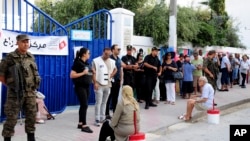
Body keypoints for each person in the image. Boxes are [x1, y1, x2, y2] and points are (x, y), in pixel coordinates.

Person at [0, 34, 41, 141]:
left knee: (31, 118)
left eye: (27, 42)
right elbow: (1, 74)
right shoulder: (10, 57)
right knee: (11, 119)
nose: (26, 44)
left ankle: (31, 138)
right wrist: (11, 86)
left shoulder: (31, 56)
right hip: (15, 94)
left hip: (30, 93)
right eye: (23, 42)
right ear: (17, 43)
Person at [70, 47, 93, 133]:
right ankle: (84, 125)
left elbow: (88, 73)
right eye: (88, 53)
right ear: (84, 54)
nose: (89, 54)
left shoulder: (86, 63)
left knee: (83, 105)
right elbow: (72, 75)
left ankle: (80, 123)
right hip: (80, 87)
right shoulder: (77, 63)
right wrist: (83, 73)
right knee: (84, 105)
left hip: (87, 86)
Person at [92, 48, 117, 126]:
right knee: (98, 102)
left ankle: (103, 117)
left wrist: (112, 75)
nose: (107, 56)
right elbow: (93, 72)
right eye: (106, 54)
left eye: (109, 54)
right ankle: (97, 119)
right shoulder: (96, 61)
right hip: (99, 84)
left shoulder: (112, 61)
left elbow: (116, 69)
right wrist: (95, 83)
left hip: (108, 84)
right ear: (103, 52)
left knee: (104, 102)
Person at [105, 44, 123, 119]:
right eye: (117, 49)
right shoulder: (110, 59)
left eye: (119, 49)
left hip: (117, 81)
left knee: (115, 97)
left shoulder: (119, 59)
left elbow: (121, 69)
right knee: (109, 97)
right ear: (113, 50)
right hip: (111, 81)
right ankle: (106, 113)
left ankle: (115, 113)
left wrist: (121, 79)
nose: (118, 50)